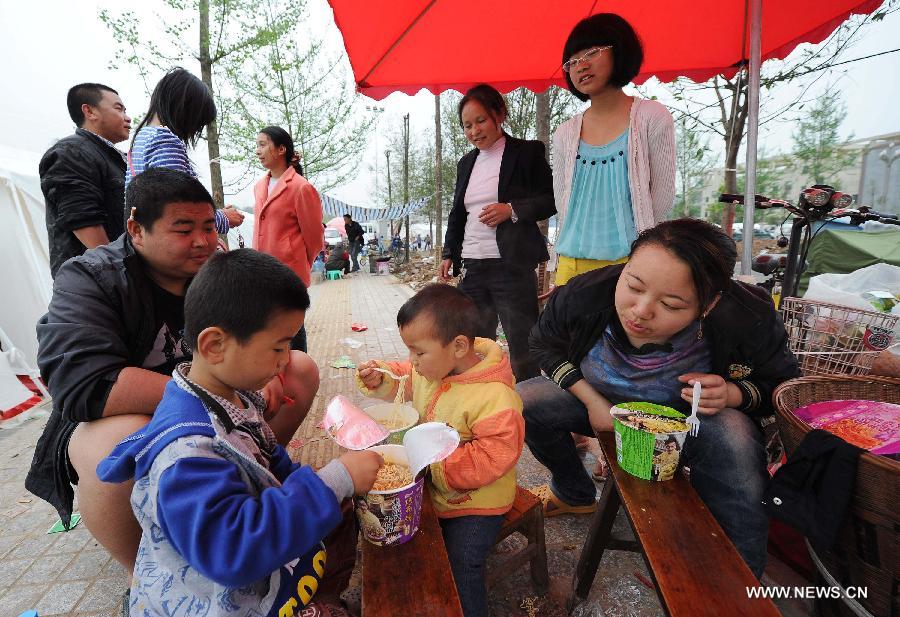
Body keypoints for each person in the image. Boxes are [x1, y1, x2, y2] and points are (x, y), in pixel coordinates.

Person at [25, 169, 320, 579]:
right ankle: (149, 575)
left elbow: (272, 330)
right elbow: (84, 384)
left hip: (219, 396)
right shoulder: (92, 278)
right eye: (183, 228)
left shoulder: (218, 270)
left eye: (207, 226)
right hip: (137, 416)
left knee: (299, 370)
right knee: (112, 441)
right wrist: (210, 397)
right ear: (136, 228)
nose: (203, 241)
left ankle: (251, 491)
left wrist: (268, 367)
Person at [97, 249, 382, 616]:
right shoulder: (187, 456)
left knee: (338, 509)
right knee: (330, 494)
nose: (285, 361)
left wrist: (330, 486)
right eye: (278, 347)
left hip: (257, 561)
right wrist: (336, 479)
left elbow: (272, 462)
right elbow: (233, 552)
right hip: (218, 600)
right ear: (215, 345)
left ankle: (320, 600)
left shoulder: (229, 399)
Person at [518, 219, 799, 578]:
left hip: (691, 417)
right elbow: (543, 344)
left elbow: (783, 386)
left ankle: (737, 582)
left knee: (737, 441)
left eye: (671, 304)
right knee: (525, 399)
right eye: (633, 286)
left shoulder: (749, 316)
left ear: (709, 304)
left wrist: (732, 393)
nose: (640, 311)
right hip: (603, 401)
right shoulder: (586, 292)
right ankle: (574, 492)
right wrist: (591, 401)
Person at [357, 284, 524, 617]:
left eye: (418, 352)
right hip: (435, 482)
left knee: (462, 561)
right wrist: (382, 378)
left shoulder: (495, 398)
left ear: (459, 345)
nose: (412, 362)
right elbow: (407, 376)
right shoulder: (435, 368)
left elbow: (494, 456)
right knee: (400, 536)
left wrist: (433, 465)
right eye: (409, 351)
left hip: (478, 501)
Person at [439, 84, 556, 383]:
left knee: (522, 344)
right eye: (467, 125)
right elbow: (458, 213)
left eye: (481, 121)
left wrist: (511, 209)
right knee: (474, 343)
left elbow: (550, 199)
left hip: (511, 267)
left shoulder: (527, 152)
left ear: (499, 115)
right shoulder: (466, 163)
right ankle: (483, 402)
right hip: (474, 267)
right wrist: (448, 252)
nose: (474, 131)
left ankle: (530, 413)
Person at [551, 14, 675, 286]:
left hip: (631, 263)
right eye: (572, 61)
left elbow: (663, 196)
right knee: (568, 330)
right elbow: (562, 200)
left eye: (592, 53)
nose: (581, 65)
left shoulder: (652, 117)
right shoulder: (564, 133)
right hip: (571, 264)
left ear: (620, 50)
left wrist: (646, 250)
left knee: (624, 330)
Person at [126, 67, 243, 234]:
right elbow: (180, 209)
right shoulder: (164, 141)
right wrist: (223, 218)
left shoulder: (141, 139)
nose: (195, 130)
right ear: (186, 110)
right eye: (198, 122)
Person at [40, 83, 131, 277]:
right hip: (95, 285)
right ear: (89, 111)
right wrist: (121, 274)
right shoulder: (72, 152)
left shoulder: (114, 158)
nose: (128, 117)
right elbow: (82, 219)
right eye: (119, 109)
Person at [254, 126, 324, 352]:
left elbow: (314, 238)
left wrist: (300, 264)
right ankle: (278, 380)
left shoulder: (301, 188)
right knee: (272, 331)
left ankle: (299, 381)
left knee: (292, 330)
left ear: (281, 149)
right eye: (257, 145)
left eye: (263, 144)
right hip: (263, 273)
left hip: (289, 274)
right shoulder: (259, 187)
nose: (258, 150)